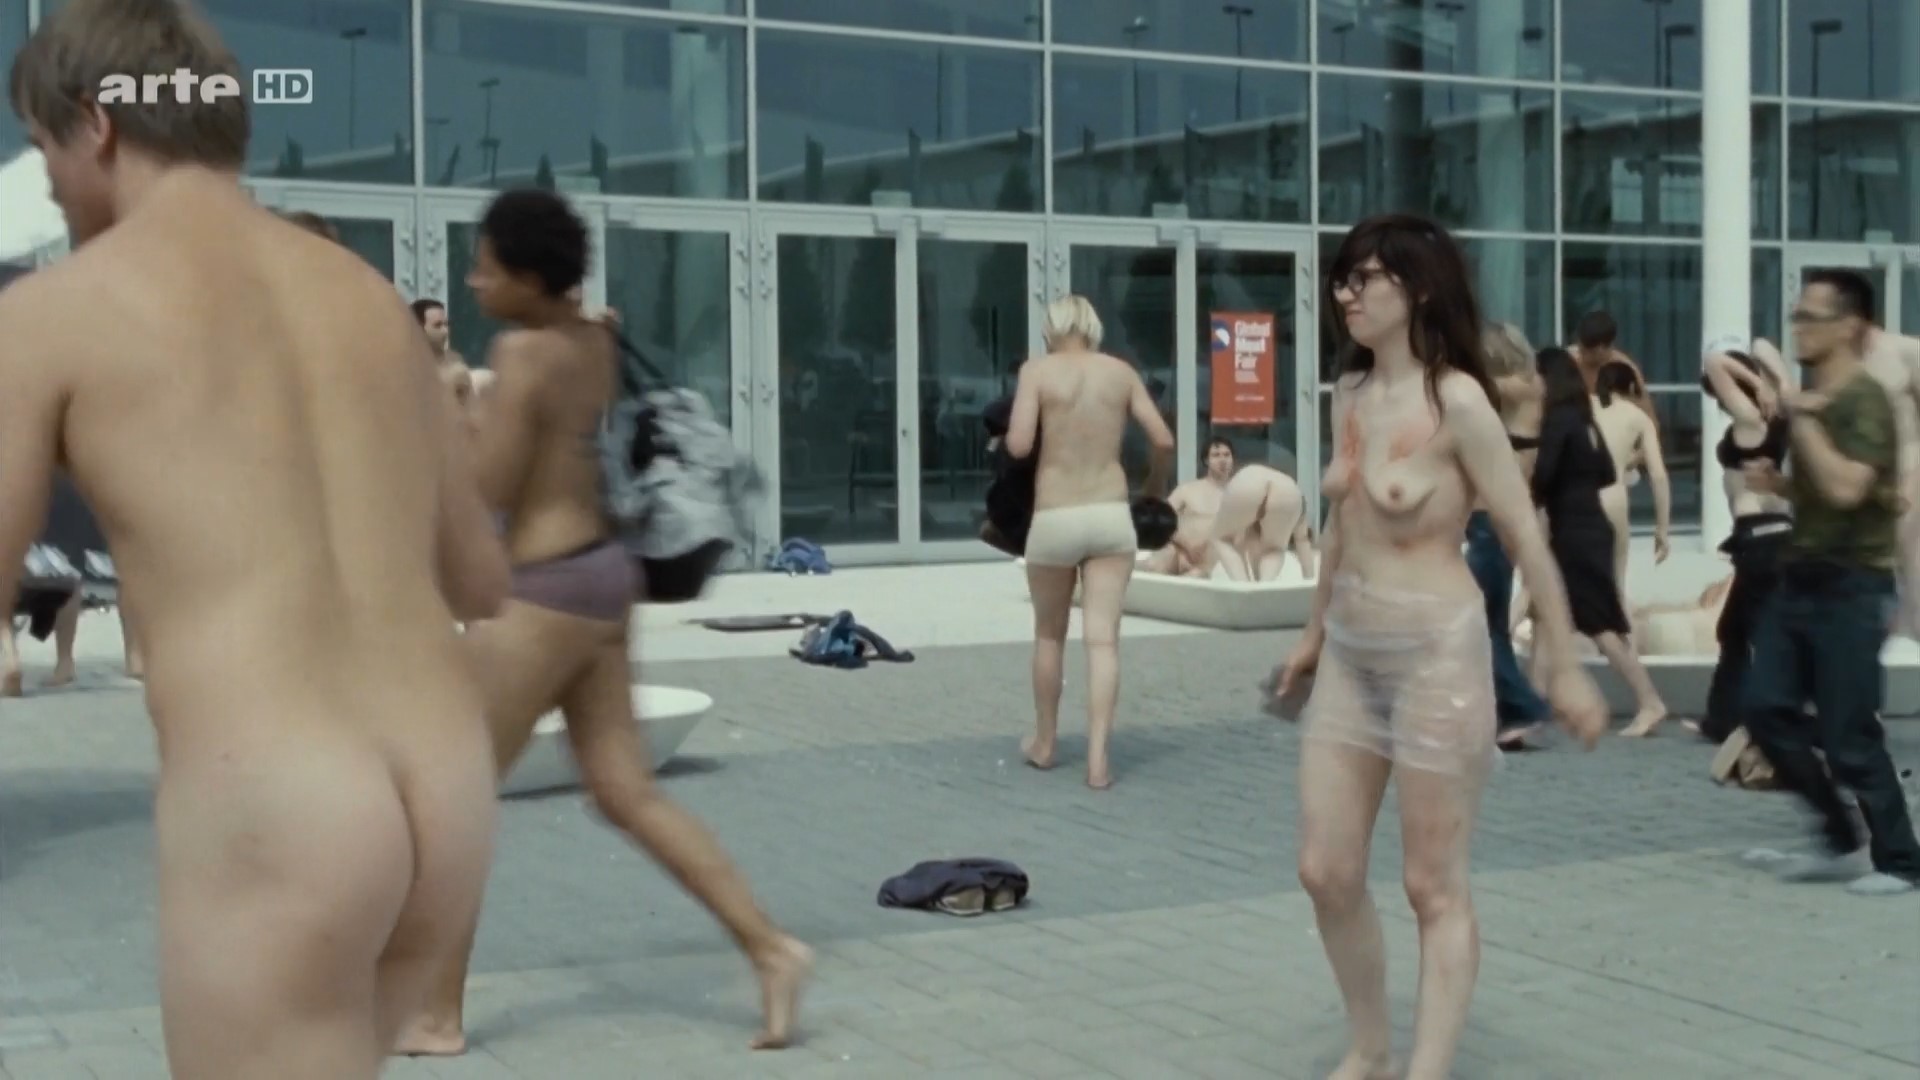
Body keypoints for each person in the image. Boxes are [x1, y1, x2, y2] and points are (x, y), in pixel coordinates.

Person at [0, 3, 513, 1076]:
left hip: (278, 801)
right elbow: (478, 575)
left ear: (98, 123)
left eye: (43, 147)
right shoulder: (368, 300)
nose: (45, 179)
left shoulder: (51, 315)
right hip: (447, 789)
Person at [397, 190, 811, 1057]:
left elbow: (490, 488)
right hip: (606, 580)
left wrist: (443, 430)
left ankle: (434, 1016)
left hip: (542, 592)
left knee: (453, 802)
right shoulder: (593, 340)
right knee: (626, 794)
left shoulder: (524, 353)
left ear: (529, 275)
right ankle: (772, 948)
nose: (473, 282)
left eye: (486, 267)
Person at [1272, 214, 1606, 1080]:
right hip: (1351, 656)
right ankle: (1371, 1046)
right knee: (1324, 869)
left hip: (1436, 658)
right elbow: (1342, 526)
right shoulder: (1349, 392)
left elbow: (1525, 535)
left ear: (1418, 288)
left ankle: (1426, 1069)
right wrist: (1311, 633)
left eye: (1364, 278)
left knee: (1432, 884)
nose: (1346, 294)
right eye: (1342, 278)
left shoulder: (1458, 401)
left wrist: (1564, 663)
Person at [1739, 269, 1920, 897]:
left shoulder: (1865, 399)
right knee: (1764, 708)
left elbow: (1847, 488)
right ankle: (1842, 839)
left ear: (1850, 326)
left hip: (1852, 586)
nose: (1799, 328)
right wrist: (1781, 486)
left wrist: (1802, 419)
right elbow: (1827, 489)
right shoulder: (1818, 397)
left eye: (1811, 318)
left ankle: (1900, 861)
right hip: (1800, 578)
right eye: (1797, 316)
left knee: (1849, 734)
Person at [1008, 294, 1174, 789]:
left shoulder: (1037, 373)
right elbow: (1163, 439)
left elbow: (1018, 444)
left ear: (1052, 328)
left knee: (1048, 635)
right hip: (1109, 513)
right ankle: (1099, 759)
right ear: (1092, 326)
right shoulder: (1120, 373)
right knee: (1103, 641)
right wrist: (1153, 485)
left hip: (1056, 513)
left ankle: (1045, 744)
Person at [1532, 348, 1669, 737]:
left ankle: (1650, 700)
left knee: (1598, 623)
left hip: (1574, 530)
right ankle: (1532, 704)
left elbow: (1543, 476)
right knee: (1546, 612)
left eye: (1536, 376)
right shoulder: (1583, 419)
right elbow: (1608, 471)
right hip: (1591, 524)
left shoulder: (1559, 420)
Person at [1698, 340, 1792, 741]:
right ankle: (1722, 720)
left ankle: (1747, 721)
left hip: (1759, 539)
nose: (1720, 402)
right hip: (1772, 537)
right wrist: (1777, 382)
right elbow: (1763, 347)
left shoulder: (1751, 417)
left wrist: (1755, 382)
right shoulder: (1779, 412)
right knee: (1736, 630)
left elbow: (1714, 360)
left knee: (1750, 633)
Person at [1464, 321, 1551, 748]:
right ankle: (1502, 713)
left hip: (1492, 519)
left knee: (1482, 623)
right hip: (1498, 517)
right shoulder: (1528, 390)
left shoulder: (1517, 389)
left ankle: (1523, 707)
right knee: (1490, 620)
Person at [1591, 361, 1671, 595]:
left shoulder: (1582, 406)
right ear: (1631, 388)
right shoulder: (1638, 418)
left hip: (1577, 497)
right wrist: (1662, 529)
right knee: (1616, 583)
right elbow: (1658, 476)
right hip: (1612, 497)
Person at [1143, 436, 1234, 576]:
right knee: (1162, 559)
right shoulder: (1188, 490)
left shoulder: (1237, 497)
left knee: (1198, 575)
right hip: (1179, 553)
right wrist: (1185, 545)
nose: (1222, 460)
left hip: (1208, 565)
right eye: (1216, 455)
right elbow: (1159, 519)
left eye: (1227, 455)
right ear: (1206, 461)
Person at [1210, 463, 1316, 581]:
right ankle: (1264, 587)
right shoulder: (1298, 508)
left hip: (1250, 480)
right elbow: (1302, 541)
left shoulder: (1246, 530)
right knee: (1273, 550)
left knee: (1222, 539)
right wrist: (1310, 581)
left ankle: (1243, 588)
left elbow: (1238, 545)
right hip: (1290, 491)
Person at [411, 297, 473, 403]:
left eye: (446, 324)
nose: (445, 331)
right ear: (418, 329)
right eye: (437, 325)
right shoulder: (406, 366)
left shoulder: (455, 363)